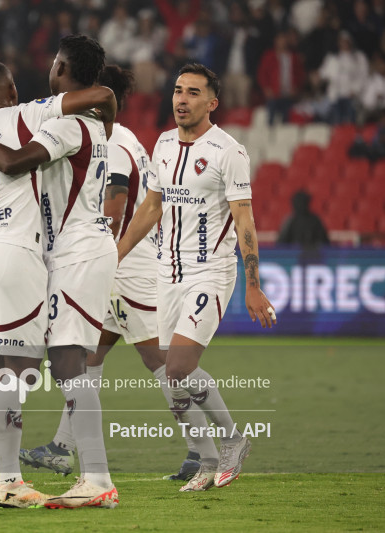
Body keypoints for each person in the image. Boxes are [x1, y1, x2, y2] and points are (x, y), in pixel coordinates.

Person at [0, 59, 118, 510]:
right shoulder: (32, 114)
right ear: (13, 90)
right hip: (17, 254)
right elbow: (99, 97)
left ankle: (12, 481)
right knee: (23, 375)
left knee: (11, 376)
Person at [19, 65, 205, 483]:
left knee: (161, 359)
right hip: (115, 263)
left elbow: (116, 199)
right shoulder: (123, 138)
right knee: (88, 356)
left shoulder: (112, 141)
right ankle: (63, 448)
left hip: (124, 265)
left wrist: (102, 254)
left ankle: (204, 448)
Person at [117, 63, 275, 491]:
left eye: (192, 93)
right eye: (177, 90)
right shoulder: (164, 143)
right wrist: (115, 255)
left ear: (212, 103)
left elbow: (245, 220)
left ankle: (233, 441)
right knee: (172, 380)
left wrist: (253, 286)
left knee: (181, 367)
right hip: (166, 274)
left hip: (210, 273)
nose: (181, 99)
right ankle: (206, 462)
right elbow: (150, 208)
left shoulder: (229, 151)